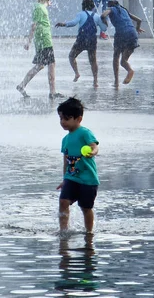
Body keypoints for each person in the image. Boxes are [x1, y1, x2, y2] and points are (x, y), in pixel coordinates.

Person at [56, 97, 99, 233]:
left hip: (88, 179)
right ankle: (64, 230)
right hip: (71, 178)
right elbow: (66, 161)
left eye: (66, 119)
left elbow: (94, 146)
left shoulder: (84, 133)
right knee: (63, 201)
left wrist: (93, 152)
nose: (63, 122)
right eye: (61, 118)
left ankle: (89, 232)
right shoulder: (65, 140)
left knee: (86, 208)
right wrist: (64, 179)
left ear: (78, 119)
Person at [16, 0, 64, 100]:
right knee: (50, 64)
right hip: (44, 39)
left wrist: (47, 4)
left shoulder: (40, 6)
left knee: (41, 65)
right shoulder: (38, 8)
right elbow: (34, 25)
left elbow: (43, 7)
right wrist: (28, 42)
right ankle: (52, 92)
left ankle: (22, 85)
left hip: (43, 38)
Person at [56, 0, 107, 88]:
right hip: (92, 41)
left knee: (71, 56)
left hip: (81, 40)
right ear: (92, 7)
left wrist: (63, 24)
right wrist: (104, 21)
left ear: (83, 6)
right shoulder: (97, 16)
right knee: (93, 61)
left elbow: (73, 23)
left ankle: (77, 73)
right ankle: (95, 81)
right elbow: (104, 29)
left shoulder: (81, 14)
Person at [101, 0, 144, 88]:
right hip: (132, 34)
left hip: (121, 34)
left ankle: (116, 82)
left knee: (116, 57)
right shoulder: (124, 10)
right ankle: (129, 71)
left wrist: (105, 23)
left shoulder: (111, 9)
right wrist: (138, 28)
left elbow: (103, 15)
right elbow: (139, 20)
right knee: (123, 61)